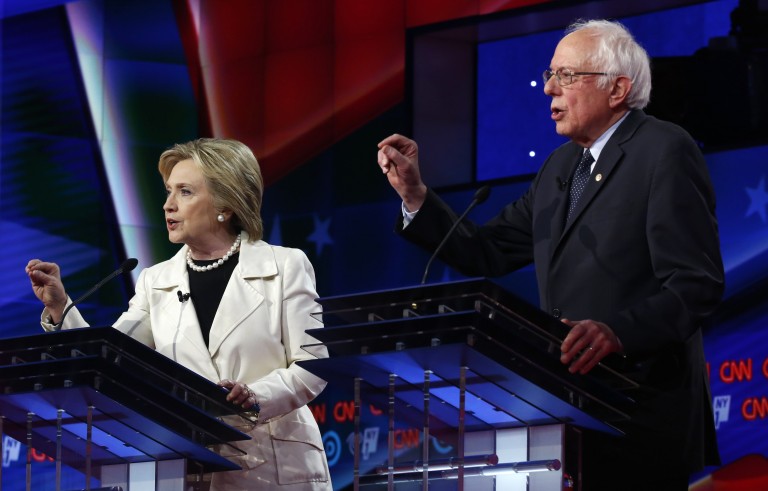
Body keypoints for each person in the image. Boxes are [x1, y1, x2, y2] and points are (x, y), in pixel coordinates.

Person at [377, 19, 724, 491]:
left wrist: (618, 332)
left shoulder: (663, 150)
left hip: (640, 414)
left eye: (566, 75)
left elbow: (696, 283)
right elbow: (488, 251)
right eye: (550, 73)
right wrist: (416, 195)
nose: (547, 88)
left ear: (617, 88)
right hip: (567, 414)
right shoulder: (560, 167)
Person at [26, 138, 332, 490]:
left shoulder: (285, 266)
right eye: (169, 191)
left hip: (276, 468)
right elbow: (109, 360)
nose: (168, 205)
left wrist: (255, 395)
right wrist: (61, 307)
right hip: (192, 469)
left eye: (185, 192)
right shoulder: (156, 281)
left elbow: (312, 365)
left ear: (226, 204)